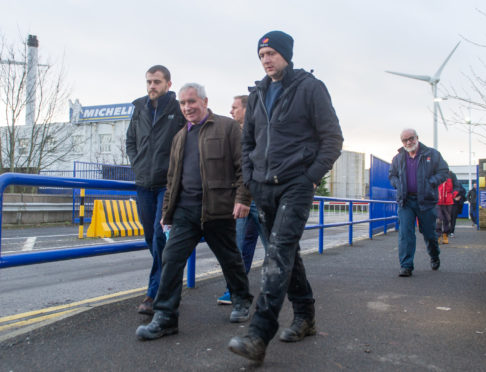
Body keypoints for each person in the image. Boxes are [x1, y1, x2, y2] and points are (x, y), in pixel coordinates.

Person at [228, 31, 343, 363]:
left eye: (272, 53)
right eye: (262, 55)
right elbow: (247, 142)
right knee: (285, 253)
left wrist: (309, 178)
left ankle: (258, 333)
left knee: (277, 255)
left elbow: (332, 138)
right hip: (263, 186)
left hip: (295, 184)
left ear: (286, 55)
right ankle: (305, 316)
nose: (266, 59)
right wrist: (249, 178)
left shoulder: (309, 88)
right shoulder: (259, 93)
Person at [136, 83, 253, 340]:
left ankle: (242, 300)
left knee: (230, 259)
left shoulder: (227, 127)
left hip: (219, 210)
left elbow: (244, 165)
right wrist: (166, 214)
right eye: (182, 103)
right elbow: (172, 180)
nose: (187, 107)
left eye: (192, 101)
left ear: (204, 101)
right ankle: (165, 317)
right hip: (185, 212)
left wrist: (243, 198)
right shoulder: (179, 137)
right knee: (171, 260)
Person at [126, 65, 185, 315]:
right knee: (151, 239)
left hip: (167, 183)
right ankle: (169, 279)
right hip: (143, 183)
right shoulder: (139, 108)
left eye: (157, 82)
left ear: (168, 84)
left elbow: (188, 139)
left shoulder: (177, 108)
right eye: (149, 81)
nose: (152, 86)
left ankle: (154, 294)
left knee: (160, 237)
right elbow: (130, 141)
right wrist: (137, 162)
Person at [217, 95, 269, 305]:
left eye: (235, 107)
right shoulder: (233, 132)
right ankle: (234, 290)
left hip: (261, 197)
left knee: (273, 247)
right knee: (238, 246)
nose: (231, 111)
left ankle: (274, 287)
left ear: (247, 110)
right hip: (240, 197)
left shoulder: (261, 131)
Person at [389, 128, 449, 277]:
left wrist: (430, 183)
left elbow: (443, 171)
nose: (408, 142)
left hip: (426, 201)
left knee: (429, 233)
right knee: (405, 233)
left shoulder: (432, 154)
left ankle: (434, 256)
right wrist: (398, 184)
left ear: (417, 138)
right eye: (405, 140)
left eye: (411, 138)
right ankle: (406, 265)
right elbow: (392, 175)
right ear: (402, 142)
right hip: (406, 201)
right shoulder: (398, 158)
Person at [448, 172, 466, 238]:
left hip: (454, 204)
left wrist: (459, 197)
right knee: (446, 218)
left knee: (453, 218)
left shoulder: (458, 184)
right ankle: (446, 232)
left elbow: (463, 191)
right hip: (446, 203)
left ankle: (451, 232)